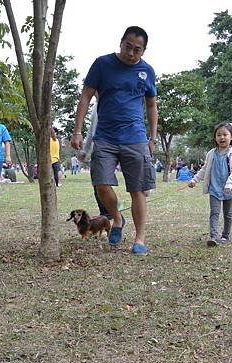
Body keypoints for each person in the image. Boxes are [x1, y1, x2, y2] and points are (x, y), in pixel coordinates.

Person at [71, 26, 157, 256]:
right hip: (105, 136)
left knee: (138, 190)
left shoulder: (147, 71)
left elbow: (151, 105)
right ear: (121, 43)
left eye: (137, 50)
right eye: (128, 46)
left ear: (143, 51)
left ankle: (139, 239)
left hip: (135, 138)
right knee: (101, 184)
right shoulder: (102, 64)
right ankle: (117, 219)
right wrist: (77, 131)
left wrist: (153, 138)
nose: (131, 53)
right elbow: (86, 96)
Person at [188, 122, 232, 247]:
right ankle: (213, 236)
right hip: (214, 188)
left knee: (228, 214)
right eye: (219, 135)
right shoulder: (211, 153)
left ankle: (225, 236)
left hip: (229, 189)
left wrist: (229, 184)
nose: (222, 137)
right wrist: (194, 180)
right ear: (215, 138)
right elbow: (204, 169)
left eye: (225, 134)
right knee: (214, 213)